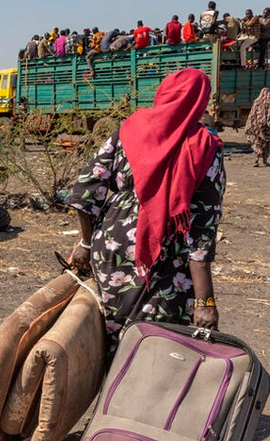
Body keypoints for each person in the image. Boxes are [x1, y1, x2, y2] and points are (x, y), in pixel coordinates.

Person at [67, 68, 224, 348]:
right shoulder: (204, 147)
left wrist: (87, 243)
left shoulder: (128, 129)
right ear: (199, 101)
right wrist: (205, 301)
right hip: (165, 263)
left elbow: (85, 190)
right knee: (152, 347)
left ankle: (110, 385)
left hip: (111, 253)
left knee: (111, 341)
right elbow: (202, 230)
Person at [245, 88, 270, 168]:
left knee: (257, 142)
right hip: (267, 127)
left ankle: (256, 159)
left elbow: (252, 114)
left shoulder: (256, 101)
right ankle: (264, 160)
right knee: (266, 143)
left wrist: (249, 125)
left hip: (255, 126)